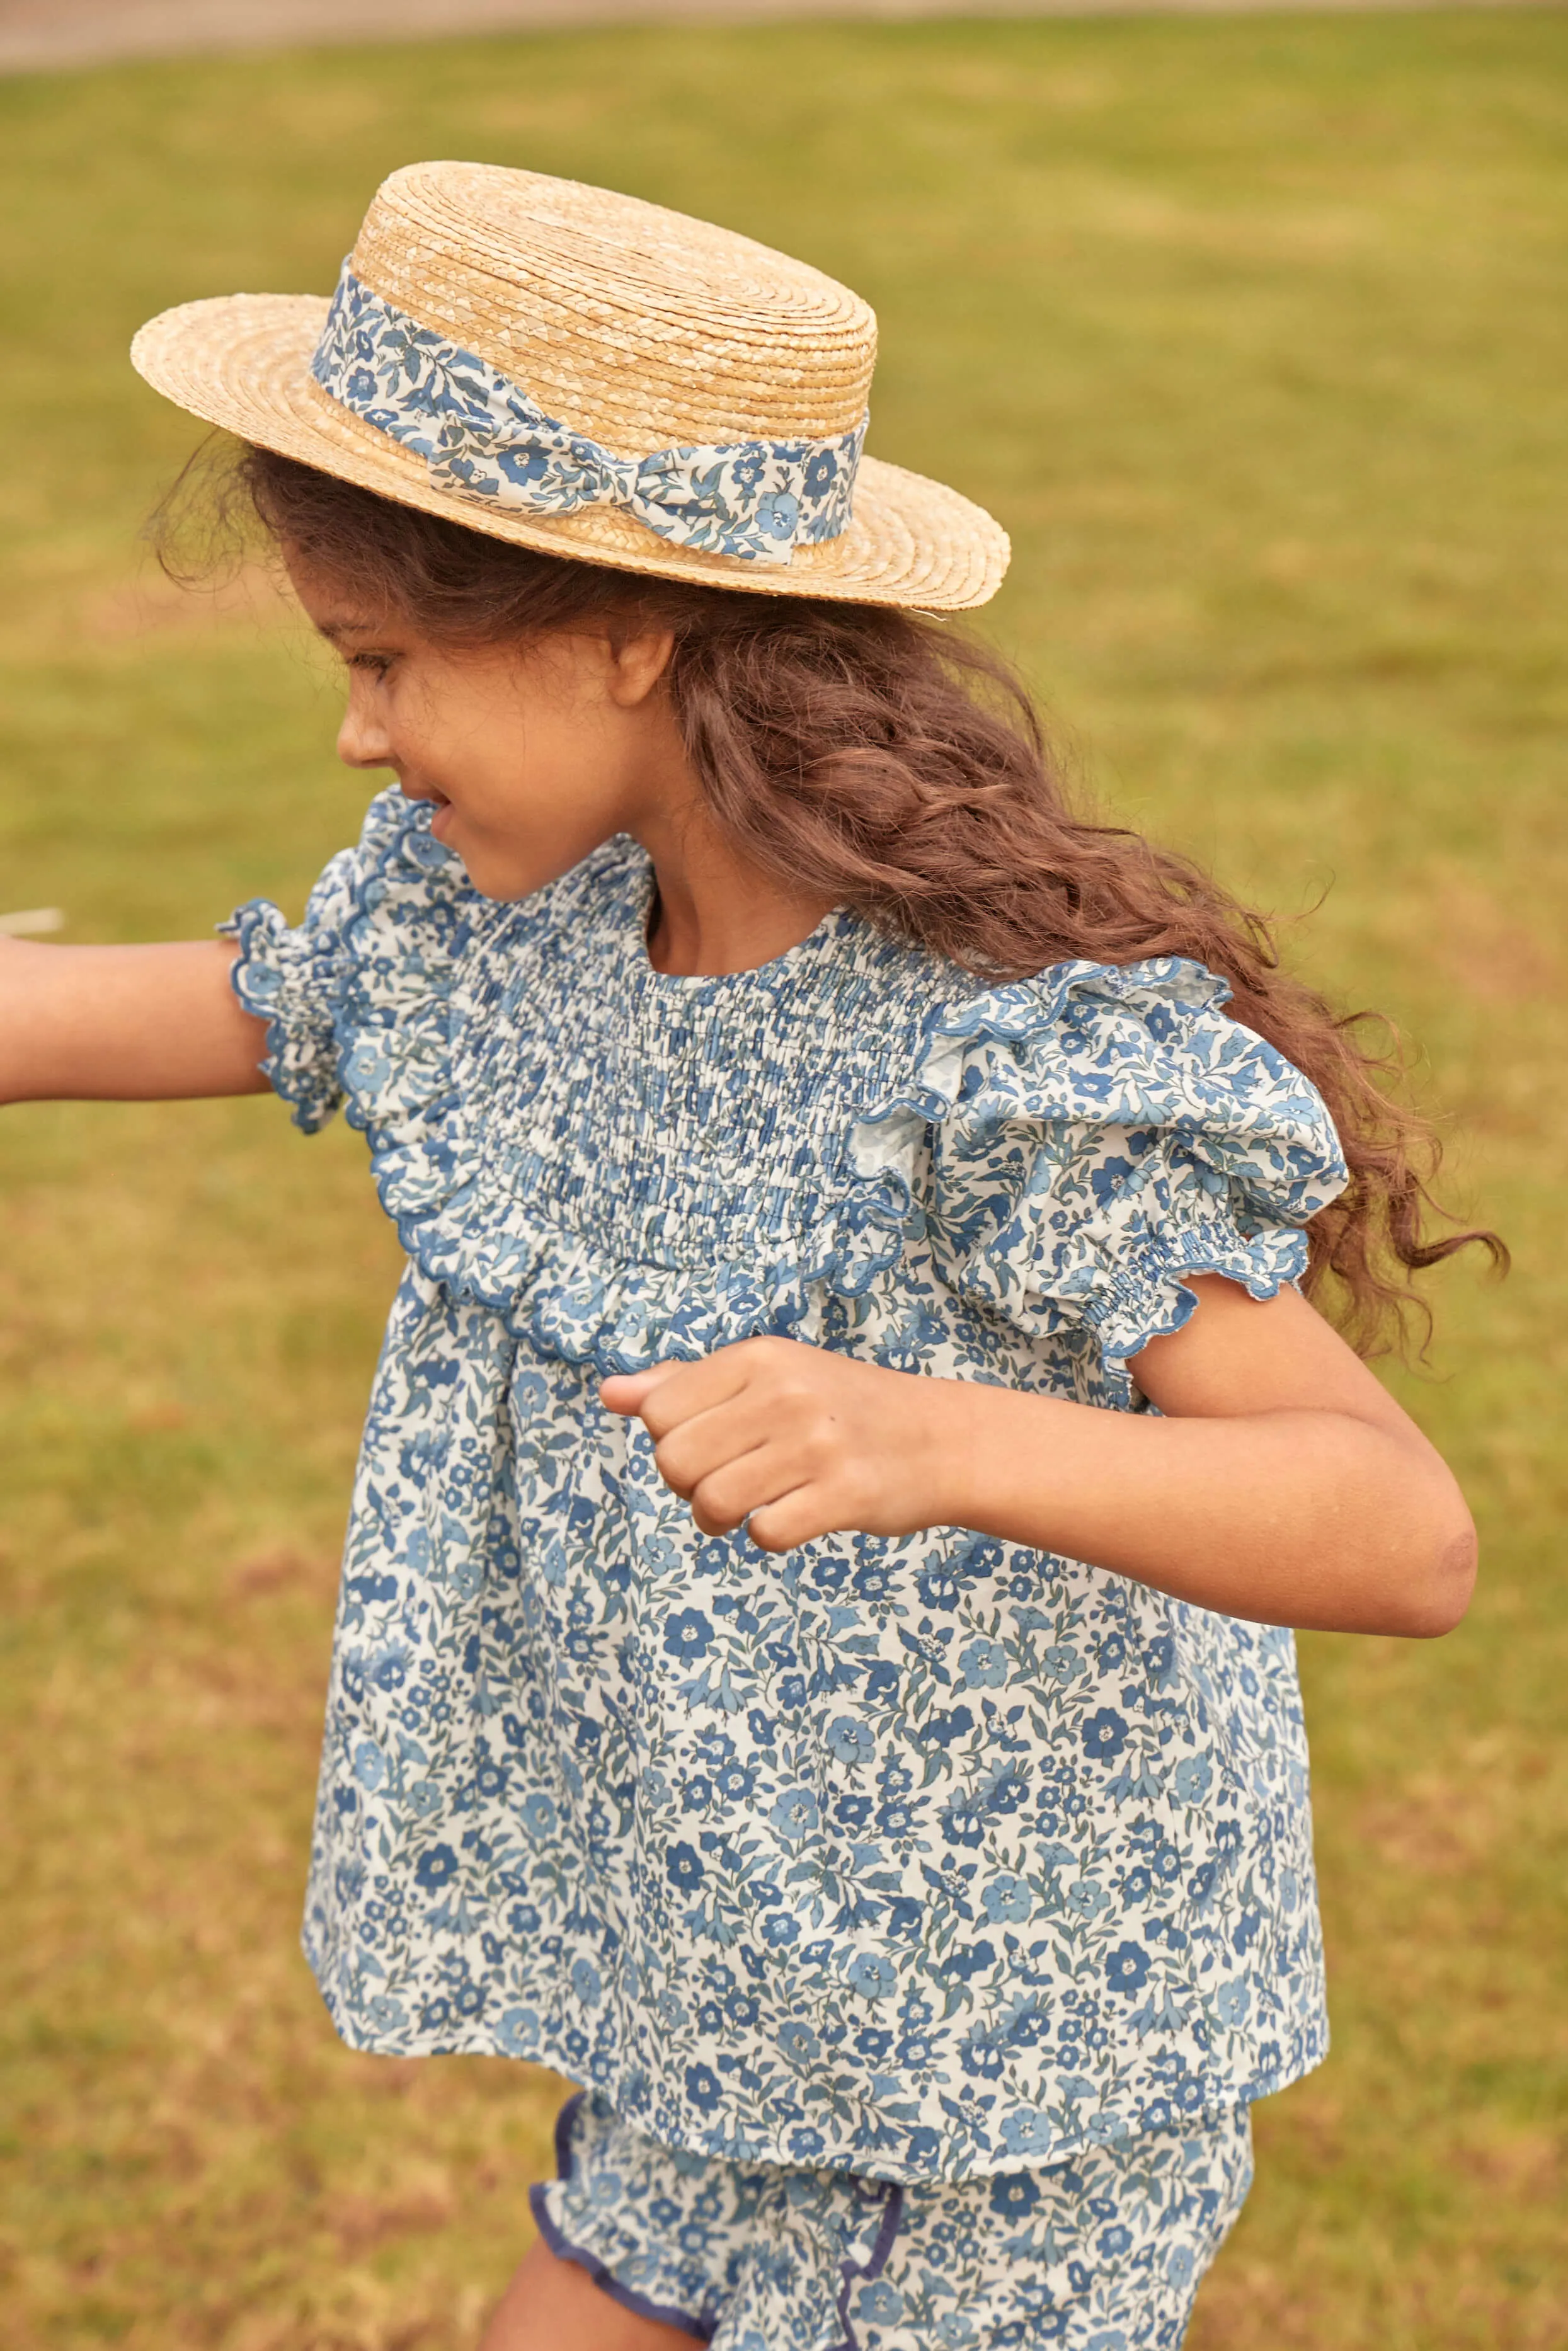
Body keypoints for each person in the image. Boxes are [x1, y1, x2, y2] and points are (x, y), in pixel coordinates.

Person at [2, 163, 1495, 2351]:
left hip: (1009, 2086)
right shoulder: (513, 935)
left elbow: (1399, 1527)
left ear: (628, 630)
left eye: (387, 660)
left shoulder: (990, 1063)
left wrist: (928, 1434)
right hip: (715, 2011)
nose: (355, 731)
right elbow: (200, 1006)